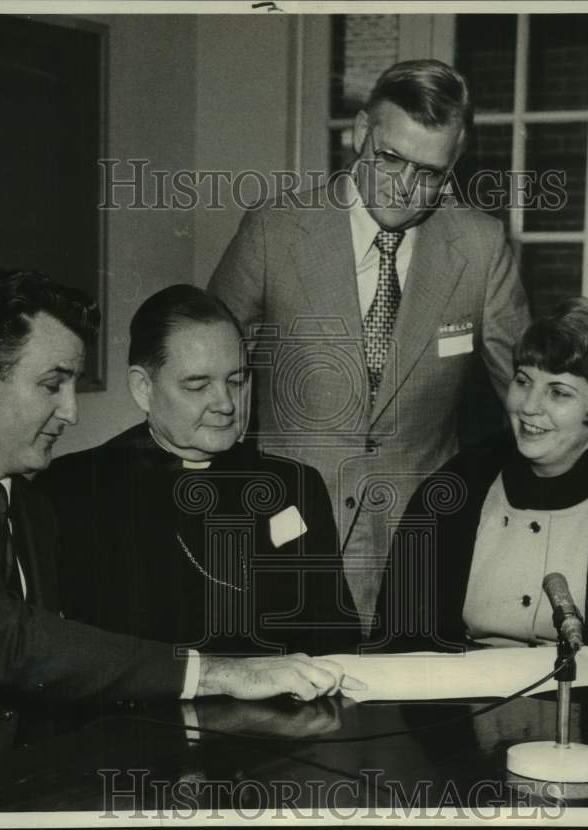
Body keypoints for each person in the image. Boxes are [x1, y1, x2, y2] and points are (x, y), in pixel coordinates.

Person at [0, 269, 360, 804]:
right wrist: (218, 672)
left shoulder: (26, 497)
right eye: (53, 384)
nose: (72, 411)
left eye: (237, 379)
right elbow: (11, 642)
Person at [208, 59, 530, 629]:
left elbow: (528, 395)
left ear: (454, 166)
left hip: (422, 549)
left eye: (429, 172)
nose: (406, 187)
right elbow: (206, 375)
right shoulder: (274, 230)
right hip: (287, 543)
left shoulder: (480, 246)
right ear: (361, 134)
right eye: (390, 159)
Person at [370, 298, 588, 674]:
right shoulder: (453, 487)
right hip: (461, 714)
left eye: (558, 392)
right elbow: (397, 641)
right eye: (523, 381)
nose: (529, 406)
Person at [35, 285, 362, 656]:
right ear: (143, 388)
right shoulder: (72, 491)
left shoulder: (295, 485)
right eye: (197, 385)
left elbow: (338, 642)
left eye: (238, 381)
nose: (225, 403)